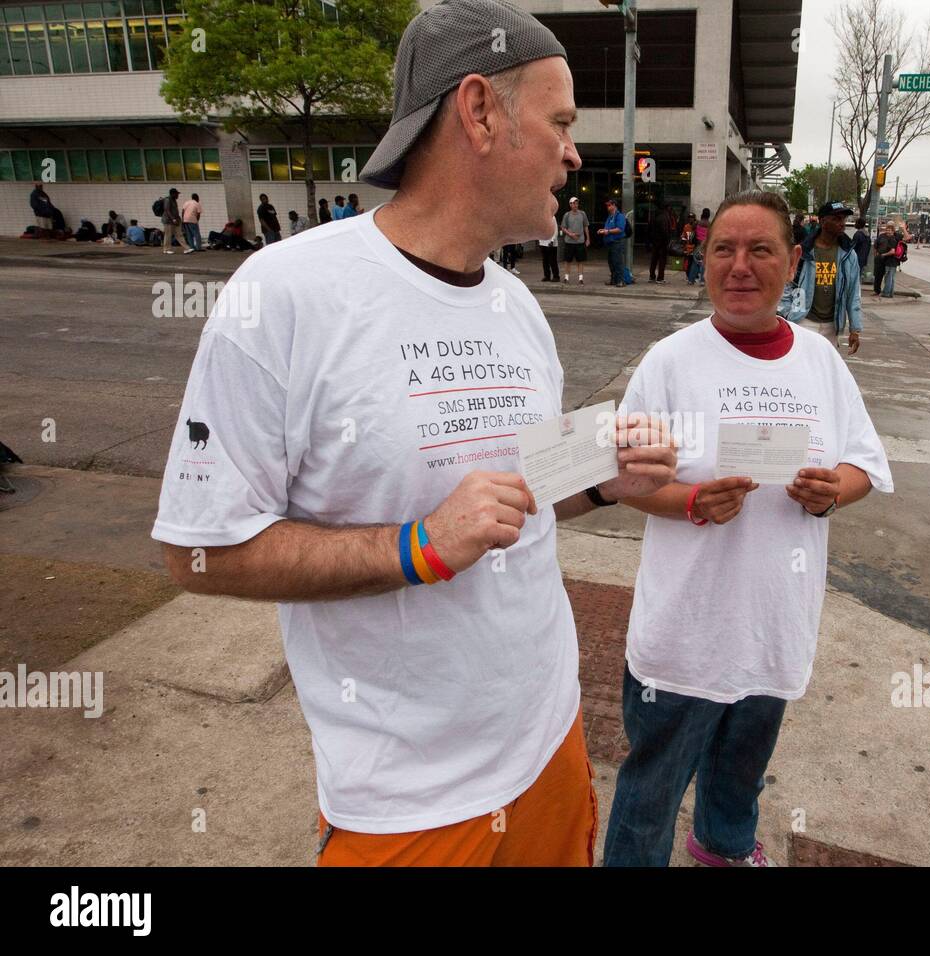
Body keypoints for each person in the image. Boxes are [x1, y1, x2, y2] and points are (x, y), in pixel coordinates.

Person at [152, 0, 675, 869]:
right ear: (478, 111)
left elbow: (522, 500)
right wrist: (421, 546)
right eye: (560, 122)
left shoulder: (518, 306)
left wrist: (601, 480)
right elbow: (198, 553)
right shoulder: (284, 293)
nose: (575, 151)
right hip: (407, 803)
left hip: (550, 742)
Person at [604, 188, 893, 867]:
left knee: (740, 770)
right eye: (723, 250)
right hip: (686, 628)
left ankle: (723, 848)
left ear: (793, 261)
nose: (740, 265)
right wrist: (692, 500)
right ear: (701, 262)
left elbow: (863, 464)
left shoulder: (820, 362)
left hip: (774, 620)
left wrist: (830, 493)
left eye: (760, 249)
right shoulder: (670, 362)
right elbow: (620, 481)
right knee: (652, 786)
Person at [779, 199, 862, 354]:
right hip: (803, 320)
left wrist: (855, 329)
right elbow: (786, 283)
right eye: (836, 219)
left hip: (832, 325)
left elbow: (853, 293)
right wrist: (787, 313)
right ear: (823, 221)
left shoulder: (848, 255)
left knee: (825, 373)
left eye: (843, 219)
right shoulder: (804, 252)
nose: (842, 223)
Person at [597, 197, 627, 287]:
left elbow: (620, 229)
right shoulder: (610, 216)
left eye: (609, 205)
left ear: (614, 205)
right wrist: (602, 230)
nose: (608, 207)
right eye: (607, 205)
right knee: (611, 262)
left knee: (618, 262)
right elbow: (608, 228)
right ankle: (614, 280)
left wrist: (608, 231)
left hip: (617, 242)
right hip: (610, 242)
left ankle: (621, 281)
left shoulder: (620, 216)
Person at [559, 196, 589, 284]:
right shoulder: (567, 215)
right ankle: (566, 278)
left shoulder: (582, 214)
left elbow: (586, 226)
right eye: (573, 203)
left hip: (580, 241)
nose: (575, 205)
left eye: (576, 203)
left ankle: (580, 279)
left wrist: (588, 239)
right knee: (567, 261)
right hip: (569, 241)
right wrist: (570, 234)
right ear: (570, 204)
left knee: (580, 261)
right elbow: (563, 227)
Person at [648, 202, 674, 284]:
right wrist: (667, 241)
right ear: (667, 208)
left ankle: (652, 276)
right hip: (662, 242)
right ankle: (660, 278)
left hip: (654, 241)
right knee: (662, 261)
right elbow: (665, 231)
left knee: (654, 260)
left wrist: (650, 240)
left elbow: (649, 228)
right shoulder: (664, 217)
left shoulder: (654, 215)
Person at [872, 221, 897, 297]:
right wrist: (876, 255)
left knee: (888, 277)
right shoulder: (881, 236)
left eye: (890, 228)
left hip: (889, 260)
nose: (888, 231)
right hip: (880, 258)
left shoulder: (895, 237)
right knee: (878, 276)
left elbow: (907, 238)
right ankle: (877, 291)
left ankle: (887, 292)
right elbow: (875, 246)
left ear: (893, 229)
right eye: (887, 228)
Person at [538, 215, 560, 281]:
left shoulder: (552, 217)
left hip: (551, 243)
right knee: (545, 261)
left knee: (553, 261)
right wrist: (539, 240)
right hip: (542, 242)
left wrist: (552, 240)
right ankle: (547, 276)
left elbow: (555, 230)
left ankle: (556, 276)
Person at [161, 187, 182, 254]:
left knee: (170, 234)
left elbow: (174, 210)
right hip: (168, 220)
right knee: (168, 235)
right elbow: (167, 210)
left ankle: (166, 249)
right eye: (177, 194)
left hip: (172, 220)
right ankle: (167, 249)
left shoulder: (173, 200)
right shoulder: (168, 200)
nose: (178, 195)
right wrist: (173, 218)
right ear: (173, 194)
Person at [851, 215, 871, 281]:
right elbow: (868, 248)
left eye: (856, 223)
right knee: (858, 275)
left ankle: (855, 289)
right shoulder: (867, 235)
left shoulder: (858, 234)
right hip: (864, 258)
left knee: (854, 276)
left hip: (856, 258)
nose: (855, 224)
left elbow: (853, 247)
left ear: (858, 224)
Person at [681, 220, 700, 284]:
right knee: (692, 264)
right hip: (692, 249)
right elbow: (686, 239)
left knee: (690, 263)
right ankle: (691, 277)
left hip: (690, 249)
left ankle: (690, 277)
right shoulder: (694, 232)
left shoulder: (693, 232)